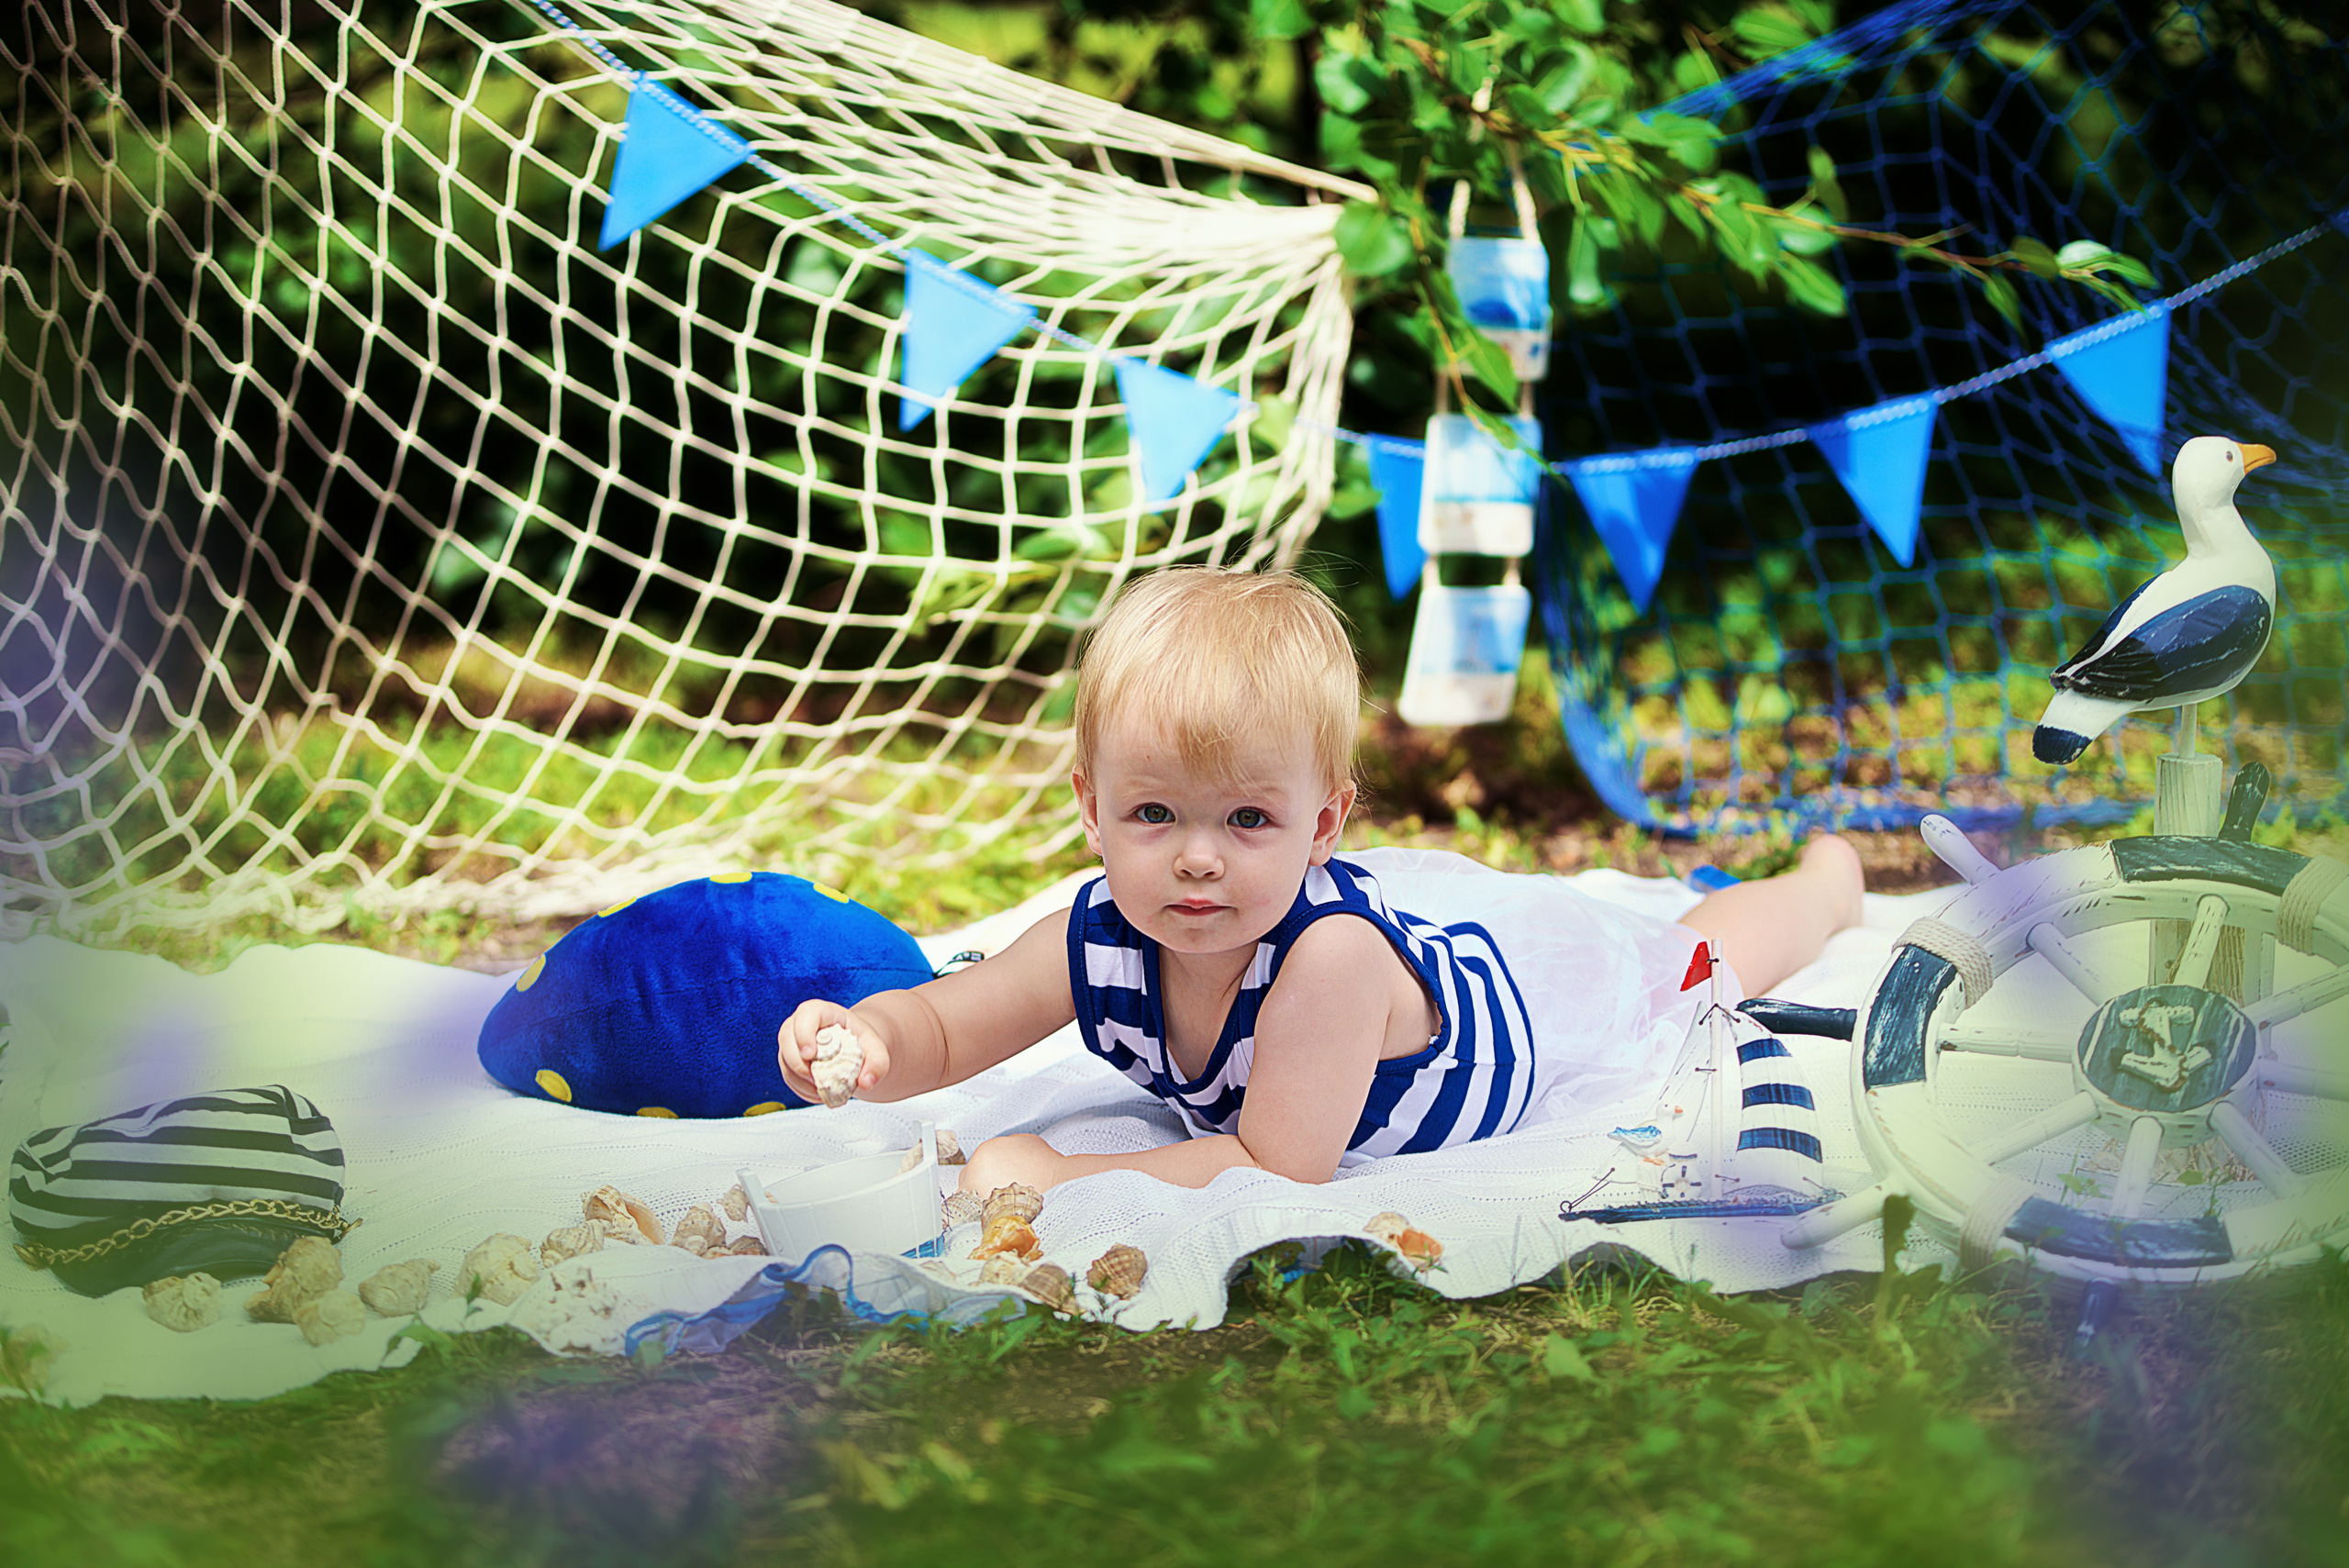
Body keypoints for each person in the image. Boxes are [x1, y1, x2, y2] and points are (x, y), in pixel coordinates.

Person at [778, 567, 1864, 1194]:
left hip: (1514, 1022)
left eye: (1249, 817)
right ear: (1092, 808)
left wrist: (1065, 1175)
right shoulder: (1100, 930)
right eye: (1155, 813)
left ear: (1323, 825)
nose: (1197, 855)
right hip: (1383, 970)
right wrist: (868, 1044)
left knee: (1685, 960)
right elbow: (950, 1025)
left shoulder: (1328, 958)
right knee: (1663, 939)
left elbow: (1277, 1163)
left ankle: (1825, 882)